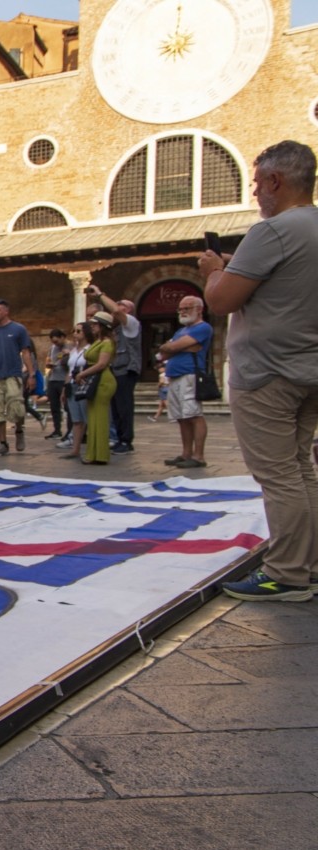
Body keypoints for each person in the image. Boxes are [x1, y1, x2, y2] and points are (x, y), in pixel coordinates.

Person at [202, 140, 318, 602]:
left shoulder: (272, 231)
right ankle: (310, 565)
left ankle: (286, 574)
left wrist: (214, 270)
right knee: (302, 469)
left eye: (256, 183)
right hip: (309, 368)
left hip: (268, 372)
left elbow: (221, 301)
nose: (254, 193)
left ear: (275, 181)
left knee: (278, 475)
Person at [84, 283, 141, 454]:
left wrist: (99, 294)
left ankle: (126, 441)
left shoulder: (131, 324)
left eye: (120, 306)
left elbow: (115, 311)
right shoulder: (113, 330)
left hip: (126, 370)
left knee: (124, 407)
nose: (114, 310)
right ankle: (119, 439)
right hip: (114, 371)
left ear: (128, 311)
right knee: (115, 408)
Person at [157, 296, 212, 469]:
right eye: (180, 309)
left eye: (186, 308)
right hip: (174, 376)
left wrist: (174, 347)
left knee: (194, 415)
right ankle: (186, 453)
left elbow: (171, 348)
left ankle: (199, 456)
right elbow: (163, 353)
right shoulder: (180, 331)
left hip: (190, 375)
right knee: (182, 417)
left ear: (199, 309)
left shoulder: (203, 328)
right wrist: (179, 347)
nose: (182, 312)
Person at [0, 299, 35, 457]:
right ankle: (3, 443)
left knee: (16, 407)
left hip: (13, 374)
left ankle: (19, 429)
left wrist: (31, 374)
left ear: (6, 311)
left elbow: (26, 352)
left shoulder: (18, 329)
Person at [78, 312, 117, 465]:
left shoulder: (107, 343)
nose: (92, 327)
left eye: (95, 324)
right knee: (93, 417)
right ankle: (93, 453)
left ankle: (100, 454)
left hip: (103, 381)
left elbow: (101, 364)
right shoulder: (98, 342)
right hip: (95, 379)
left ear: (102, 326)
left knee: (99, 417)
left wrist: (82, 374)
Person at [59, 324, 90, 460]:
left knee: (87, 417)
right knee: (76, 419)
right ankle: (75, 449)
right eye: (74, 331)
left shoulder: (90, 348)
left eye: (78, 331)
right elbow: (70, 371)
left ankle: (91, 449)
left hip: (84, 385)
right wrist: (64, 389)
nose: (75, 333)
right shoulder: (73, 350)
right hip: (72, 385)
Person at [44, 329, 70, 439]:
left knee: (67, 407)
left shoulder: (70, 347)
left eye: (57, 341)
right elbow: (49, 360)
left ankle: (70, 431)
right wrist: (49, 364)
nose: (56, 344)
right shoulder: (52, 348)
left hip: (64, 379)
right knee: (54, 406)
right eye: (53, 342)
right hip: (53, 378)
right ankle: (57, 430)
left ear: (62, 337)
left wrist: (67, 355)